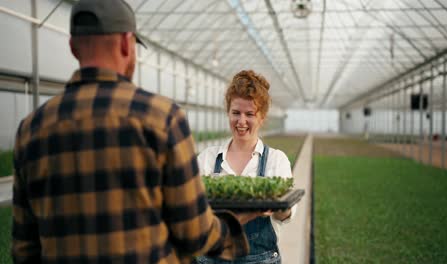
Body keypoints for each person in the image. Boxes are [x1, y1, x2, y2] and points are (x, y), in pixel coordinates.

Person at [11, 0, 259, 263]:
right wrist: (234, 224)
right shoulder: (161, 118)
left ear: (73, 47)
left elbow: (24, 248)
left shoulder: (31, 129)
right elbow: (193, 231)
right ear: (126, 44)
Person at [196, 70, 296, 264]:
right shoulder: (207, 159)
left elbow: (286, 214)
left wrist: (276, 205)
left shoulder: (276, 160)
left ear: (262, 117)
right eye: (236, 113)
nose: (241, 121)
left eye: (249, 114)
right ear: (228, 112)